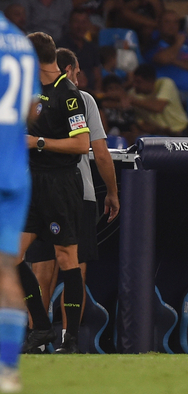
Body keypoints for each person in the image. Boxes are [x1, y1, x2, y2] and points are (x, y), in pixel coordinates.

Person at [25, 48, 120, 351]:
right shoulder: (83, 99)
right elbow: (100, 153)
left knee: (39, 267)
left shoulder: (30, 100)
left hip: (36, 190)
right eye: (77, 73)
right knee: (74, 265)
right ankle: (68, 340)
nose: (79, 80)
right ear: (67, 69)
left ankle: (37, 337)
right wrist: (113, 193)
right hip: (77, 194)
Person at [18, 31, 88, 355]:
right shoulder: (31, 92)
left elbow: (82, 144)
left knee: (66, 257)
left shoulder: (69, 94)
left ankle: (70, 338)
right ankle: (41, 327)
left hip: (60, 184)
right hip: (32, 182)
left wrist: (40, 143)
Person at [0, 11, 40, 392]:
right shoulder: (21, 43)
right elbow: (31, 109)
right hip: (14, 172)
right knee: (5, 271)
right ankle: (7, 372)